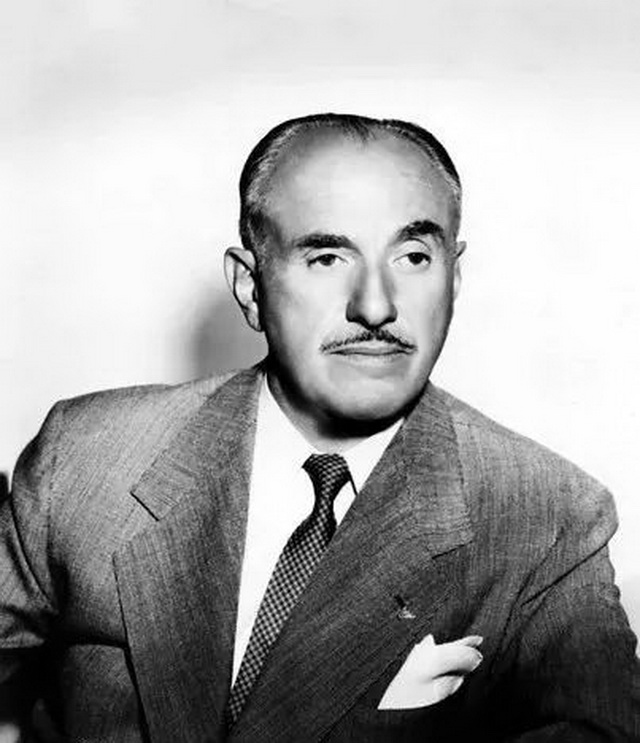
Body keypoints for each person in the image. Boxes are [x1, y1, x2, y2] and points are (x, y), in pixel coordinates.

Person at [1, 113, 639, 743]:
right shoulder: (84, 460)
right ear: (250, 285)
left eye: (414, 257)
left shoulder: (546, 514)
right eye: (327, 257)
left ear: (455, 276)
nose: (375, 307)